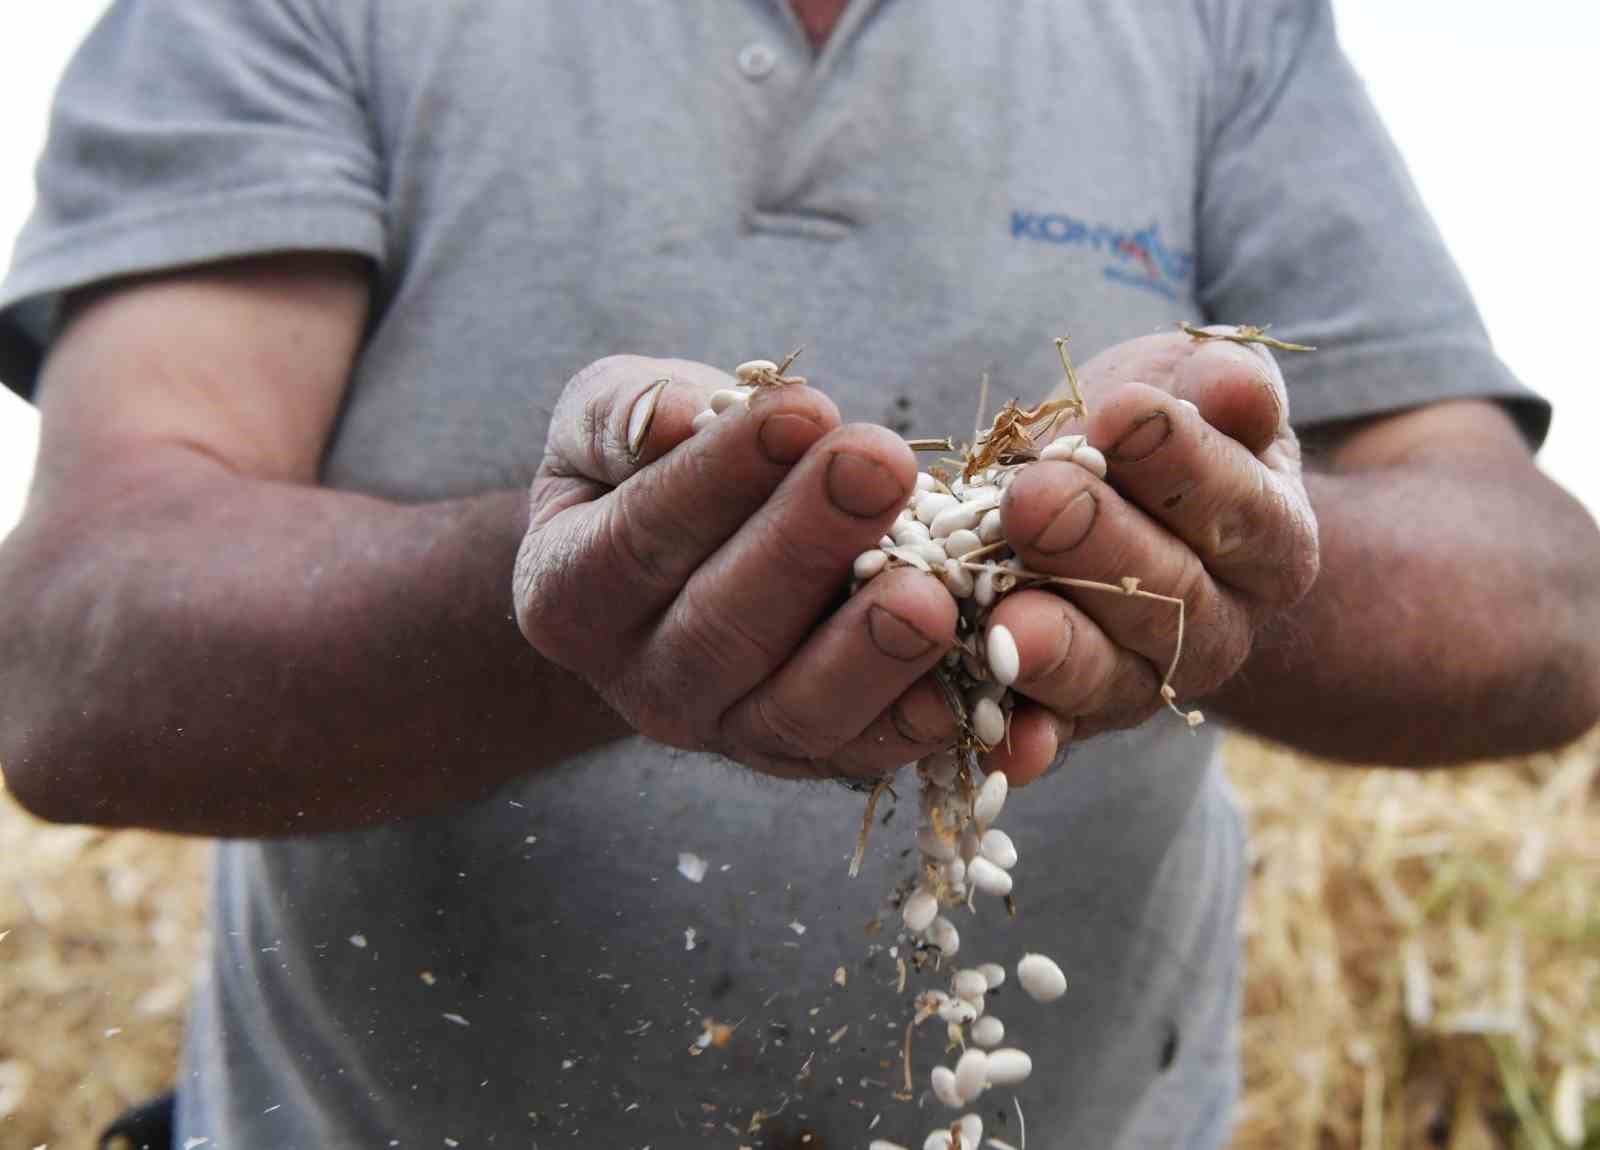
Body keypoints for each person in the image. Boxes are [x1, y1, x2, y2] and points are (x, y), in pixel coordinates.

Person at [1, 1, 1596, 1147]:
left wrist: (1213, 552)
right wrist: (573, 593)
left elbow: (1545, 600)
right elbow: (70, 655)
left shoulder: (1213, 29)